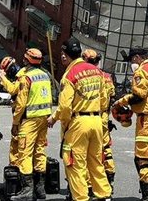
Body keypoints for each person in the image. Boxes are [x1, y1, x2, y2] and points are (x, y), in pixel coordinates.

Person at [47, 38, 111, 201]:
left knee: (75, 165)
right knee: (96, 163)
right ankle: (104, 196)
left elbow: (65, 107)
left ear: (64, 55)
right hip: (96, 121)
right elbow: (104, 100)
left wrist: (56, 120)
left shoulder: (69, 75)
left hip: (78, 123)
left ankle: (81, 198)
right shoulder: (96, 71)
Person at [112, 48, 148, 201]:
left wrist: (122, 101)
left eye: (131, 60)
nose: (131, 63)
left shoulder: (142, 72)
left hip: (147, 120)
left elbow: (138, 96)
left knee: (142, 158)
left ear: (137, 58)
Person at [9, 49, 52, 201]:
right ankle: (40, 189)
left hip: (30, 120)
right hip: (44, 118)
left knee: (25, 153)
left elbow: (20, 104)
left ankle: (27, 191)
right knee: (39, 151)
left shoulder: (26, 78)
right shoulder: (45, 75)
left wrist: (15, 122)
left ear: (27, 61)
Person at [82, 49, 116, 190]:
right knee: (106, 149)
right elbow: (112, 95)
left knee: (88, 153)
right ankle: (109, 178)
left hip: (90, 116)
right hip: (103, 117)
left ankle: (89, 185)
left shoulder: (88, 75)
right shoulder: (106, 76)